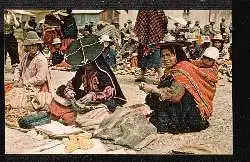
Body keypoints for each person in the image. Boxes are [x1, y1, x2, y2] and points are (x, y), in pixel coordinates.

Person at [139, 46, 219, 134]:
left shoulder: (182, 70)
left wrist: (152, 89)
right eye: (163, 56)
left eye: (169, 55)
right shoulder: (174, 68)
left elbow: (175, 96)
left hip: (189, 112)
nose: (165, 59)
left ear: (176, 55)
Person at [49, 54, 127, 125]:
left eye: (88, 63)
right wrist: (69, 91)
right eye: (83, 63)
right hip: (88, 97)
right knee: (61, 90)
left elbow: (109, 92)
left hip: (104, 100)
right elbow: (74, 83)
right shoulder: (82, 70)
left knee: (102, 112)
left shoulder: (102, 72)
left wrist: (92, 96)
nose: (85, 65)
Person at [133, 10, 168, 83]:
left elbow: (163, 19)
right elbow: (139, 20)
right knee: (143, 54)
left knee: (155, 54)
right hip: (144, 34)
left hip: (155, 34)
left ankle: (161, 76)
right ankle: (142, 75)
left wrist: (162, 28)